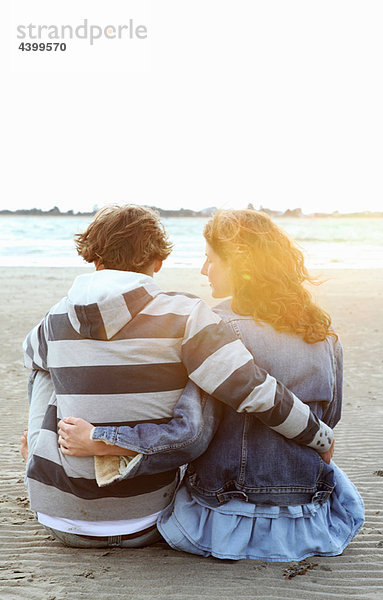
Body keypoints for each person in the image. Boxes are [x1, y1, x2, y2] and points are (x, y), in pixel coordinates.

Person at [58, 209, 364, 561]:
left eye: (209, 260)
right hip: (308, 518)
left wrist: (105, 439)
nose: (204, 271)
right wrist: (317, 437)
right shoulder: (325, 336)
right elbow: (332, 418)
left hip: (222, 518)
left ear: (236, 264)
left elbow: (191, 432)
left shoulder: (216, 327)